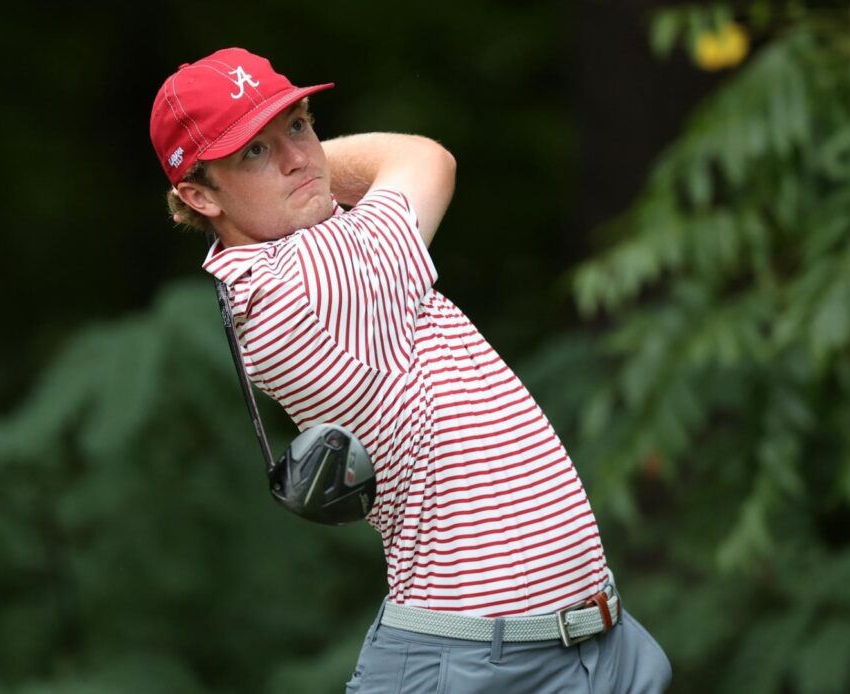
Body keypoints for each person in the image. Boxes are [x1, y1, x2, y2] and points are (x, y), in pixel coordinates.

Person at [149, 47, 672, 693]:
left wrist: (282, 171)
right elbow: (427, 159)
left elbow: (344, 175)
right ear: (198, 195)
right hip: (478, 668)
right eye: (252, 152)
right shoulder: (310, 283)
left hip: (584, 646)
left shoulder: (306, 251)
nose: (295, 156)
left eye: (298, 125)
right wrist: (310, 171)